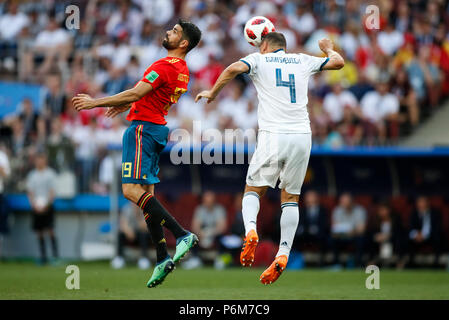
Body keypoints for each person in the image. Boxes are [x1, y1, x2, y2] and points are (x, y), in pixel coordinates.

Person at [196, 32, 344, 284]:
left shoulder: (259, 60)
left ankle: (251, 230)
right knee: (291, 197)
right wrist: (329, 47)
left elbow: (232, 68)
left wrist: (212, 92)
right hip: (302, 136)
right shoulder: (301, 60)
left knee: (253, 190)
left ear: (264, 45)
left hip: (273, 135)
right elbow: (338, 62)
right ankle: (283, 253)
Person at [72, 19, 202, 288]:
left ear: (184, 43)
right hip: (155, 129)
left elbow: (137, 91)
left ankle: (182, 234)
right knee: (147, 196)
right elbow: (146, 95)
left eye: (175, 31)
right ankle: (161, 258)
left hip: (143, 130)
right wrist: (128, 104)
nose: (168, 31)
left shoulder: (164, 65)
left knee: (130, 191)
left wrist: (95, 103)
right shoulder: (183, 70)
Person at [25, 153, 58, 265]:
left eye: (42, 160)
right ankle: (43, 257)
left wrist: (46, 204)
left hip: (47, 206)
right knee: (39, 232)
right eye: (38, 160)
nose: (39, 162)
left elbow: (52, 191)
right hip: (36, 206)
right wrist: (34, 205)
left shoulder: (50, 174)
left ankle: (55, 256)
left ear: (45, 161)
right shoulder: (32, 175)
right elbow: (30, 192)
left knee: (51, 230)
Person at [183, 191, 227, 269]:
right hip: (202, 235)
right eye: (206, 201)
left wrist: (210, 233)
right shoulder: (200, 209)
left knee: (222, 237)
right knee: (192, 236)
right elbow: (195, 226)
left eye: (210, 201)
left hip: (215, 234)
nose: (208, 203)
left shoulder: (219, 209)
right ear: (203, 201)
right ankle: (195, 259)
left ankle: (220, 260)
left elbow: (222, 227)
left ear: (214, 201)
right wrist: (202, 233)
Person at [329, 192, 367, 268]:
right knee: (331, 239)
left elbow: (361, 230)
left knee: (361, 239)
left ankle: (358, 264)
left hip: (354, 236)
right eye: (342, 202)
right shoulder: (337, 210)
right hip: (341, 237)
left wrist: (353, 231)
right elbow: (334, 228)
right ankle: (336, 264)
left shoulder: (360, 210)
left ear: (352, 202)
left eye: (346, 202)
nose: (344, 204)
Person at [366, 200, 407, 269]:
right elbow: (370, 232)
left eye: (384, 210)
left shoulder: (396, 220)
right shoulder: (375, 221)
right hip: (378, 243)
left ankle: (400, 262)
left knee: (400, 241)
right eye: (380, 210)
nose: (382, 212)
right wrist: (377, 236)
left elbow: (400, 232)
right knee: (370, 240)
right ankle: (371, 262)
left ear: (389, 210)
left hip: (392, 241)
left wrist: (388, 236)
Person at [111, 203, 152, 270]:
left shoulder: (146, 210)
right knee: (120, 234)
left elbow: (145, 227)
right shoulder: (126, 209)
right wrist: (128, 231)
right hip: (130, 233)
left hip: (142, 234)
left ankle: (144, 259)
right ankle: (119, 258)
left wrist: (137, 215)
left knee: (143, 235)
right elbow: (123, 223)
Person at [408, 195, 442, 268]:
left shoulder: (435, 213)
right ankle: (411, 264)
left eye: (423, 202)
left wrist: (425, 235)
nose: (421, 204)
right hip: (417, 237)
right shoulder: (414, 213)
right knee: (407, 240)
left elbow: (437, 228)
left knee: (438, 238)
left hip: (431, 236)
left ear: (427, 203)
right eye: (419, 202)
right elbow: (410, 227)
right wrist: (416, 234)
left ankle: (436, 263)